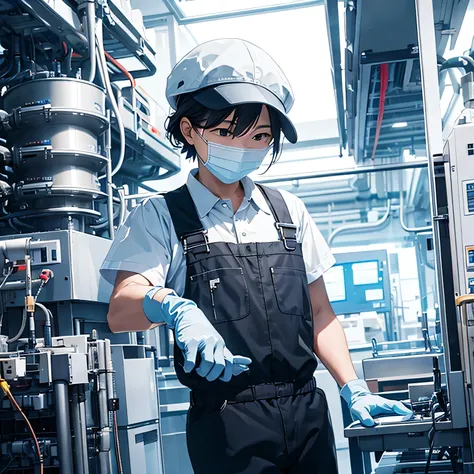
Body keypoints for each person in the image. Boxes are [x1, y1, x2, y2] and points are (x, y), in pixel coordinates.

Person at [100, 38, 412, 474]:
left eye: (261, 136)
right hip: (227, 424)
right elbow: (120, 310)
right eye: (228, 133)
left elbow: (321, 313)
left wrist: (352, 387)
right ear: (190, 130)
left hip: (308, 417)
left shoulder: (288, 212)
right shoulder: (160, 216)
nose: (246, 147)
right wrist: (171, 306)